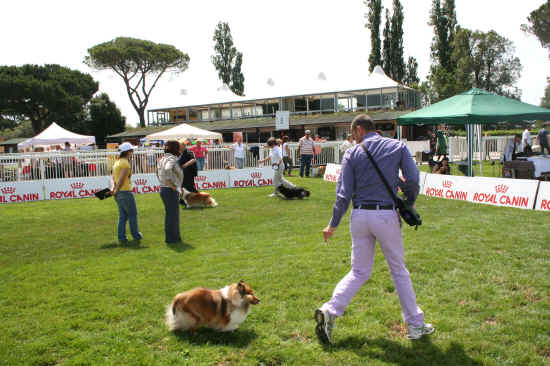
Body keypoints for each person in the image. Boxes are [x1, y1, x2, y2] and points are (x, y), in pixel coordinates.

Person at [315, 114, 433, 344]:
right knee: (398, 270)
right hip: (385, 214)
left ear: (359, 129)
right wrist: (409, 201)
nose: (353, 139)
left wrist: (333, 224)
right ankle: (415, 325)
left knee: (358, 271)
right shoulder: (397, 146)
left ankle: (330, 310)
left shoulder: (352, 153)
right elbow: (413, 178)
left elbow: (343, 194)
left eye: (353, 135)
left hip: (359, 216)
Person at [111, 142, 143, 243]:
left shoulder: (117, 162)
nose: (132, 153)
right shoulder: (125, 163)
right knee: (132, 215)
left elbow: (113, 178)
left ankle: (122, 237)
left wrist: (114, 189)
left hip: (118, 193)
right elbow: (121, 179)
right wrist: (116, 189)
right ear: (128, 152)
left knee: (122, 216)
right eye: (131, 151)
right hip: (125, 191)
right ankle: (136, 235)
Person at [157, 140, 184, 244]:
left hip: (164, 188)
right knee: (173, 215)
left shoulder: (162, 158)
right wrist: (172, 185)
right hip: (170, 190)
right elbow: (168, 169)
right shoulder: (172, 159)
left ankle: (173, 237)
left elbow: (159, 172)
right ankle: (173, 238)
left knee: (171, 214)